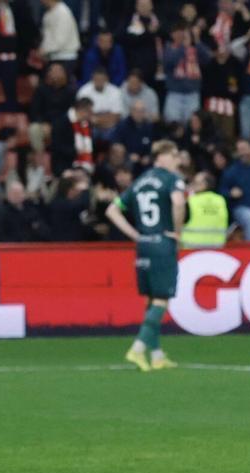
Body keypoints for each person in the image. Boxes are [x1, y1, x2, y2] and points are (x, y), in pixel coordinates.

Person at [104, 140, 186, 371]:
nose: (177, 160)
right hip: (162, 243)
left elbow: (111, 210)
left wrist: (135, 235)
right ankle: (138, 348)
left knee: (151, 300)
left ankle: (157, 355)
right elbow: (178, 202)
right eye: (174, 155)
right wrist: (177, 232)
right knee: (161, 299)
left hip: (144, 246)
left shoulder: (139, 182)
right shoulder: (172, 179)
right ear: (162, 156)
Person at [180, 171, 228, 248]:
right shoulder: (220, 200)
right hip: (216, 248)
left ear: (204, 185)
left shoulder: (191, 201)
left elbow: (179, 221)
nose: (192, 185)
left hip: (191, 248)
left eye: (195, 182)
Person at [38, 0, 79, 75]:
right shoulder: (49, 12)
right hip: (53, 57)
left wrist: (43, 50)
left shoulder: (62, 12)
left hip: (64, 58)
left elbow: (60, 40)